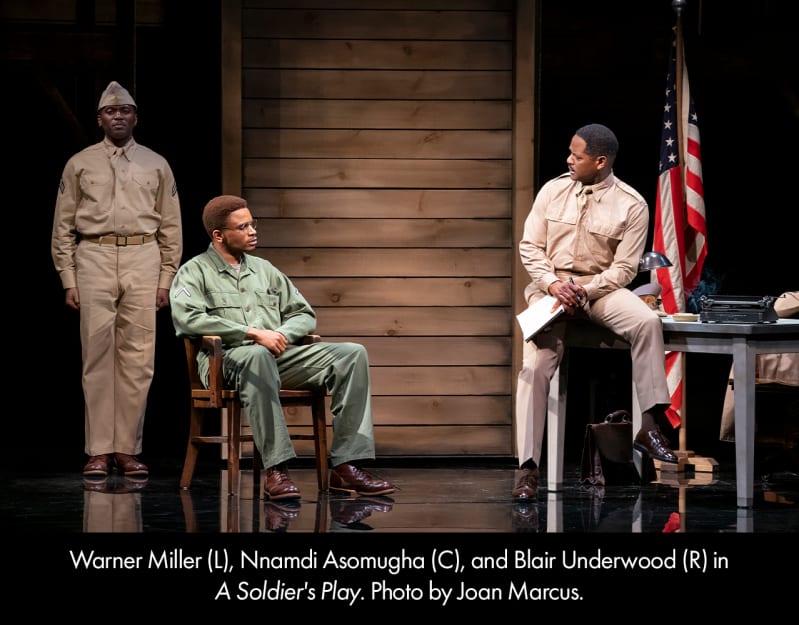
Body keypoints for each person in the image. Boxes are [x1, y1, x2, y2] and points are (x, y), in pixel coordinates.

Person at [169, 194, 397, 501]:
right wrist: (252, 333)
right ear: (219, 235)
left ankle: (346, 465)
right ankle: (276, 469)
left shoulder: (265, 270)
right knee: (256, 353)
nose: (252, 231)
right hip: (224, 364)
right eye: (243, 226)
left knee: (351, 354)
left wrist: (280, 334)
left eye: (253, 223)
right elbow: (189, 320)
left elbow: (303, 314)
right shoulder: (194, 271)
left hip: (275, 358)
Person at [513, 123, 678, 501]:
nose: (569, 160)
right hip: (551, 290)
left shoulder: (631, 204)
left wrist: (583, 291)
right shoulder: (552, 191)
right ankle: (527, 469)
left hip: (599, 290)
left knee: (647, 321)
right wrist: (554, 285)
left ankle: (649, 425)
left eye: (577, 155)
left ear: (600, 161)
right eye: (570, 152)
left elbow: (623, 269)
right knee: (535, 366)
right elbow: (530, 247)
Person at [51, 81, 183, 479]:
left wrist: (166, 278)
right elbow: (62, 225)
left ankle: (126, 449)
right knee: (96, 356)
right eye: (111, 111)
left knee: (139, 359)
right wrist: (67, 277)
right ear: (100, 119)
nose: (119, 116)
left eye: (125, 110)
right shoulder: (79, 163)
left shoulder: (156, 163)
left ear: (135, 117)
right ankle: (99, 450)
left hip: (143, 255)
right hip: (94, 255)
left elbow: (172, 227)